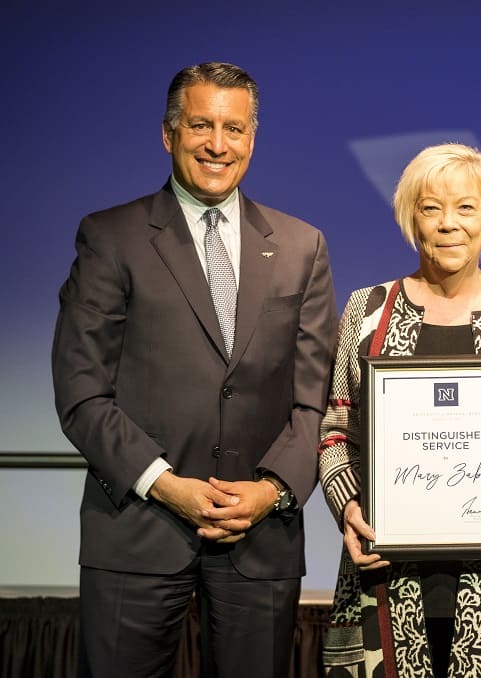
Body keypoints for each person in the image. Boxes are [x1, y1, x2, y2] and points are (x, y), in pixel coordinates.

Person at [51, 62, 337, 678]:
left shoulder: (301, 245)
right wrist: (165, 484)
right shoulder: (110, 237)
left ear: (252, 139)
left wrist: (271, 490)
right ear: (168, 133)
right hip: (136, 527)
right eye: (201, 125)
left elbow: (316, 399)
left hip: (260, 537)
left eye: (234, 129)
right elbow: (81, 393)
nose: (217, 144)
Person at [318, 143, 481, 677]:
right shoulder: (367, 312)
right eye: (430, 207)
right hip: (384, 578)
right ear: (411, 219)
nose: (448, 224)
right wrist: (348, 510)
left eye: (466, 208)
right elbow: (337, 431)